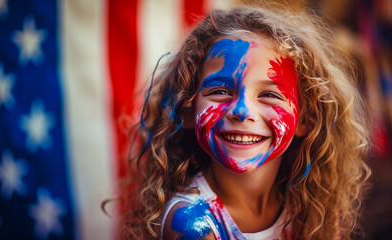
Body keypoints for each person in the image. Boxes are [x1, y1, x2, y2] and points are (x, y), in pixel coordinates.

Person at [119, 5, 371, 240]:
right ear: (186, 109)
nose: (241, 110)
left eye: (269, 95)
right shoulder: (192, 224)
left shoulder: (311, 207)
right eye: (220, 90)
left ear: (307, 120)